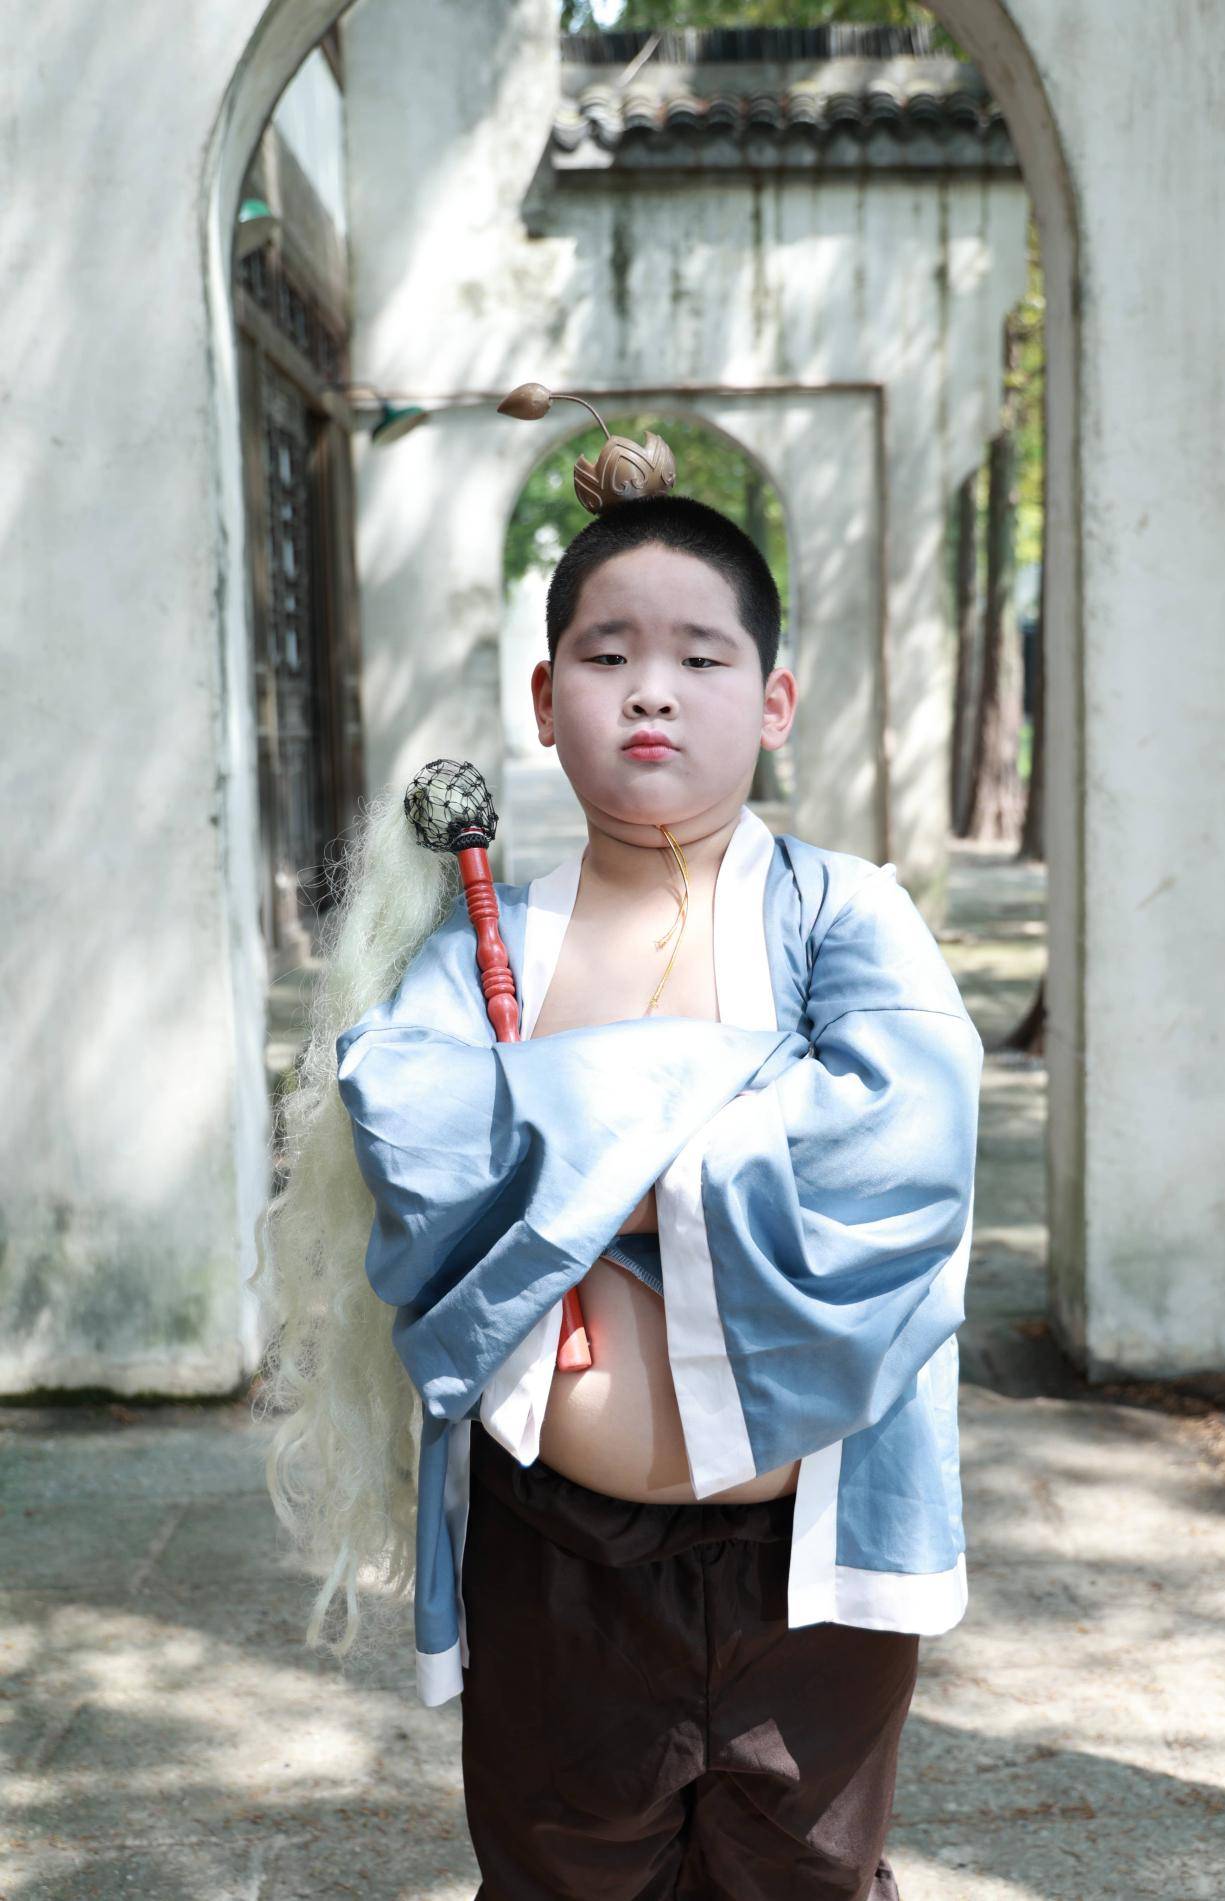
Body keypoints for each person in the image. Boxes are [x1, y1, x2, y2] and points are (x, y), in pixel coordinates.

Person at [250, 403, 983, 1901]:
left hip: (809, 1560)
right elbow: (416, 1126)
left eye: (702, 658)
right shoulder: (483, 948)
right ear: (543, 697)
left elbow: (901, 1146)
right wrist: (736, 1099)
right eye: (606, 655)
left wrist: (568, 1176)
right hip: (553, 1551)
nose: (653, 689)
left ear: (773, 701)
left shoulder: (846, 915)